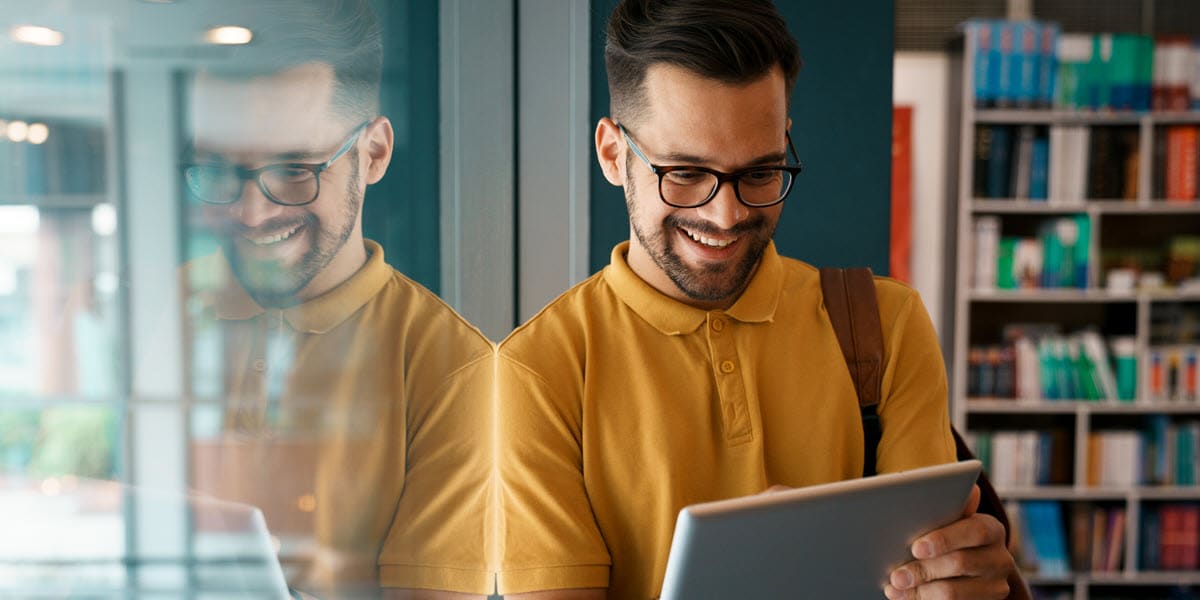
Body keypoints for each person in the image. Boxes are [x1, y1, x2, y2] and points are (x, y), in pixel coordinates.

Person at [495, 1, 1021, 598]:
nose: (727, 215)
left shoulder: (888, 324)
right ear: (615, 155)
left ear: (784, 143)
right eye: (686, 172)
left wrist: (961, 581)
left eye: (760, 172)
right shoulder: (535, 372)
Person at [180, 2, 492, 597]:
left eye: (295, 169)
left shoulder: (454, 367)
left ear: (373, 153)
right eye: (218, 168)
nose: (251, 212)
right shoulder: (154, 307)